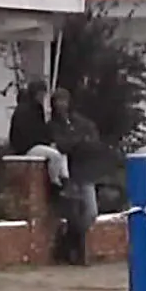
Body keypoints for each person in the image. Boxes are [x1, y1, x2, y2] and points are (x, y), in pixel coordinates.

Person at [45, 88, 102, 265]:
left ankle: (68, 239)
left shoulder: (81, 122)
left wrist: (77, 142)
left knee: (91, 212)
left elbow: (93, 141)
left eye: (64, 100)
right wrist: (78, 141)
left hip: (85, 172)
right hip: (67, 175)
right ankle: (77, 252)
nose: (61, 105)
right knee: (74, 214)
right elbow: (61, 145)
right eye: (58, 101)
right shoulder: (53, 125)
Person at [6, 79, 50, 157]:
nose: (43, 97)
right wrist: (46, 142)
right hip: (28, 147)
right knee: (56, 156)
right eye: (42, 94)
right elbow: (35, 131)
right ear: (37, 93)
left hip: (22, 147)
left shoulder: (24, 106)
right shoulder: (32, 109)